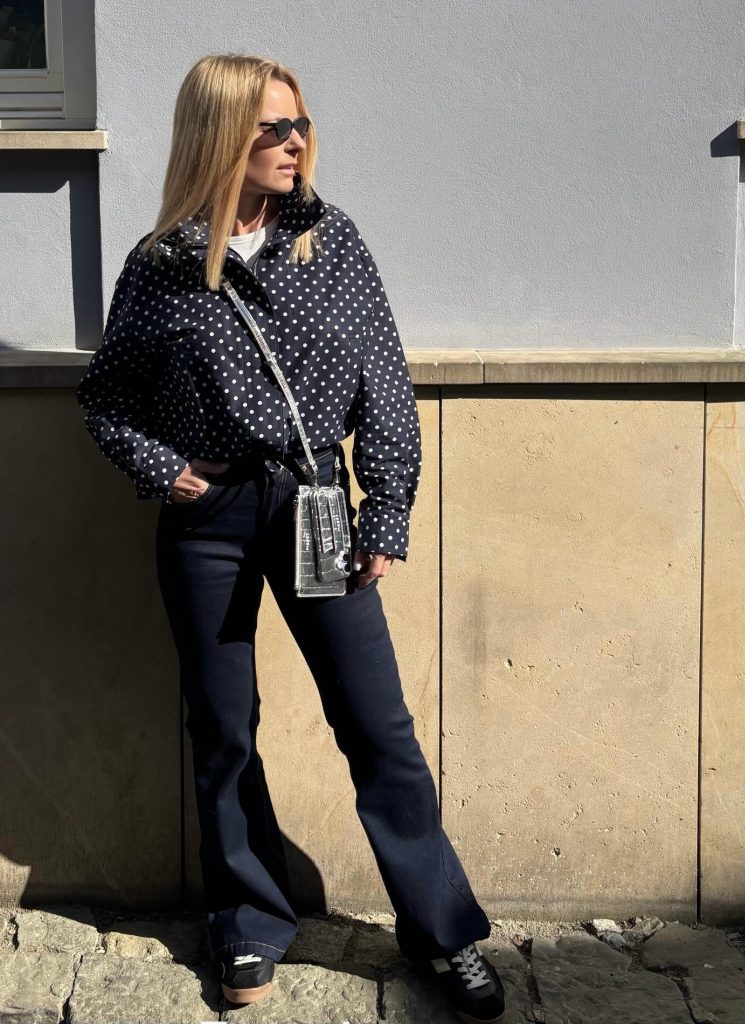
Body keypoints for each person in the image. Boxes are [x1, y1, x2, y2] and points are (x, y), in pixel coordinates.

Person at [74, 53, 506, 1023]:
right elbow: (108, 397)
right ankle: (247, 917)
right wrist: (162, 468)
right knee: (222, 730)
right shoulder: (161, 266)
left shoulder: (332, 241)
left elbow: (384, 387)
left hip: (317, 506)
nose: (294, 142)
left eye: (300, 123)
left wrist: (384, 508)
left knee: (377, 727)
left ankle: (441, 931)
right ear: (221, 136)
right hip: (207, 519)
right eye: (271, 128)